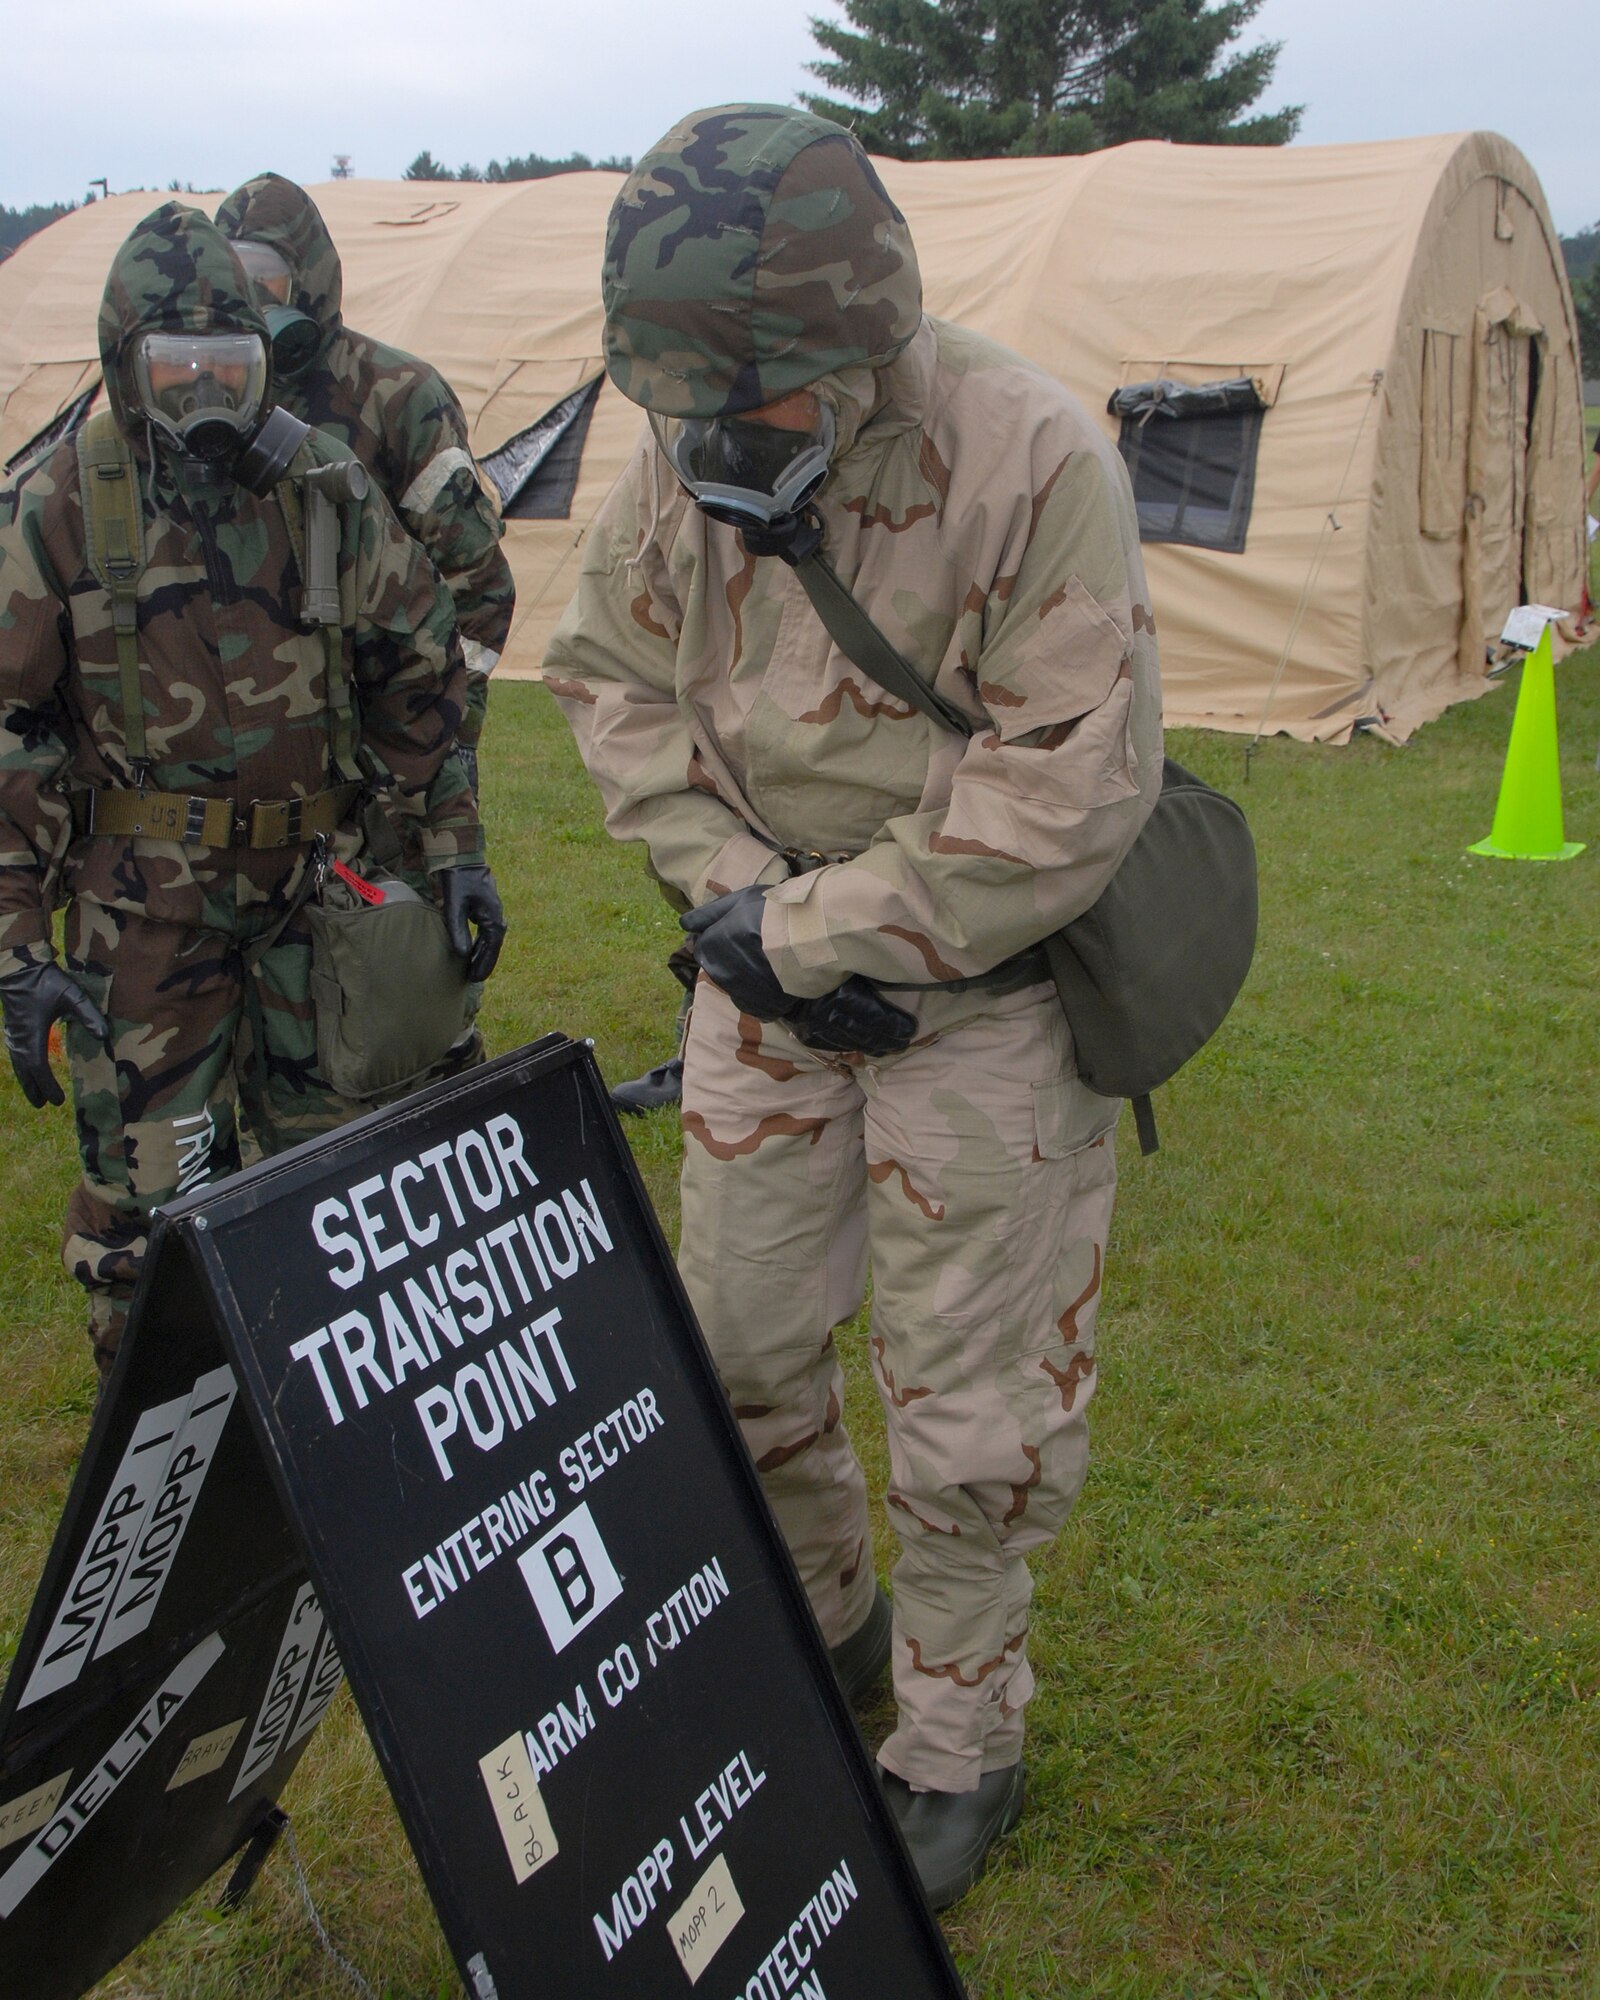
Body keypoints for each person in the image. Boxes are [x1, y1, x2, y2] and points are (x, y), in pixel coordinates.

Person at [546, 104, 1162, 1908]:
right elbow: (610, 685)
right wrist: (739, 908)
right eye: (693, 409)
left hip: (981, 1003)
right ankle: (829, 1626)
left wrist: (829, 929)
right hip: (764, 981)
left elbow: (1069, 785)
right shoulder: (681, 451)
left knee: (970, 1412)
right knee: (737, 1355)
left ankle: (963, 1737)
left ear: (861, 344)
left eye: (762, 409)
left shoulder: (1028, 458)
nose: (720, 448)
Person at [0, 203, 505, 1380]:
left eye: (225, 368)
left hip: (312, 899)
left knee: (349, 1185)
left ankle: (339, 1422)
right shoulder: (64, 501)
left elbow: (416, 664)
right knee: (153, 1206)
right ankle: (171, 1436)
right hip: (147, 920)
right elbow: (10, 721)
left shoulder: (322, 486)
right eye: (171, 370)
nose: (202, 399)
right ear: (124, 366)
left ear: (264, 357)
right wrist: (18, 944)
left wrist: (451, 844)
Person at [214, 173, 515, 799]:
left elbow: (478, 586)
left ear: (309, 276)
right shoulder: (211, 397)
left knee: (404, 898)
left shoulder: (397, 395)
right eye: (232, 277)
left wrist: (444, 730)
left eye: (266, 276)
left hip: (393, 734)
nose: (251, 296)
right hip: (257, 738)